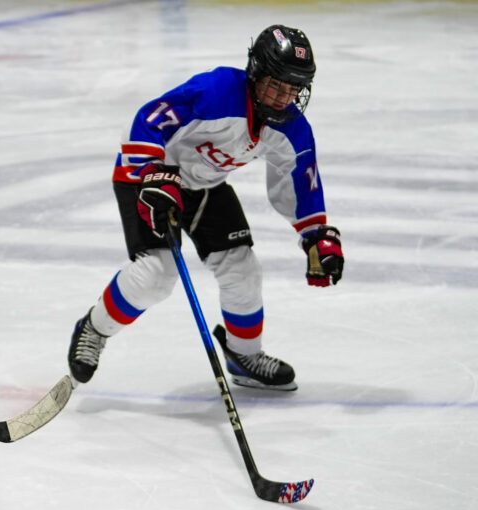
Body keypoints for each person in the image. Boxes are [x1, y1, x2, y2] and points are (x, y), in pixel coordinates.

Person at [67, 24, 344, 391]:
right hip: (149, 177)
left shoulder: (292, 127)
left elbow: (297, 183)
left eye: (292, 89)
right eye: (275, 85)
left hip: (204, 186)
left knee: (243, 269)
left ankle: (244, 356)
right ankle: (94, 328)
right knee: (156, 275)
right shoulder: (216, 92)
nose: (282, 98)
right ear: (255, 74)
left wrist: (314, 236)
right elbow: (147, 119)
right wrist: (154, 173)